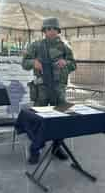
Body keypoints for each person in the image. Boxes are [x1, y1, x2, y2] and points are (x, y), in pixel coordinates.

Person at [22, 17, 76, 164]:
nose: (51, 31)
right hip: (42, 90)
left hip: (59, 89)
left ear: (58, 30)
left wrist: (66, 62)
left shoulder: (65, 47)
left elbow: (73, 64)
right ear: (44, 31)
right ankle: (36, 149)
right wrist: (34, 62)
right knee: (38, 120)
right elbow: (24, 62)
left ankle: (57, 146)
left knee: (61, 119)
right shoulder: (36, 45)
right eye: (48, 29)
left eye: (54, 29)